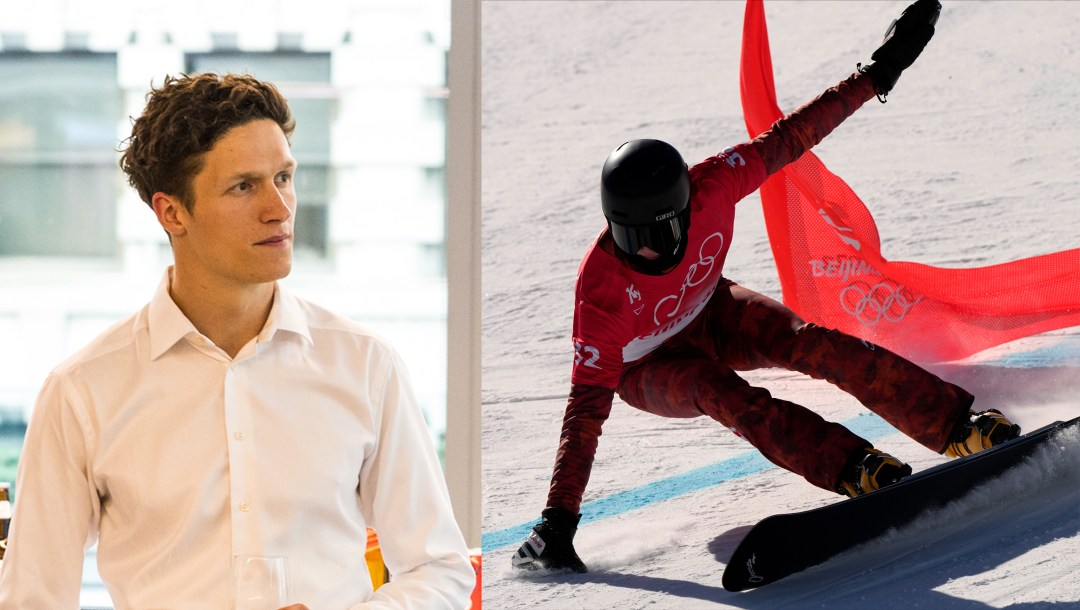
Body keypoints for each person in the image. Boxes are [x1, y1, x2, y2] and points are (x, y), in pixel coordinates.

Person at [512, 0, 1020, 574]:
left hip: (710, 310)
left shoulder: (713, 186)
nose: (642, 252)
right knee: (717, 389)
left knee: (809, 340)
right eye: (625, 237)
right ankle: (852, 466)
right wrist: (558, 519)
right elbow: (585, 409)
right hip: (646, 366)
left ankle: (955, 426)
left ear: (684, 211)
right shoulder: (600, 293)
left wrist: (877, 74)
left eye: (654, 236)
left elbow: (791, 137)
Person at [0, 73, 474, 609]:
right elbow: (32, 600)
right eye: (243, 186)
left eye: (284, 177)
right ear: (171, 212)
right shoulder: (82, 391)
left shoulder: (366, 364)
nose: (281, 208)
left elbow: (440, 571)